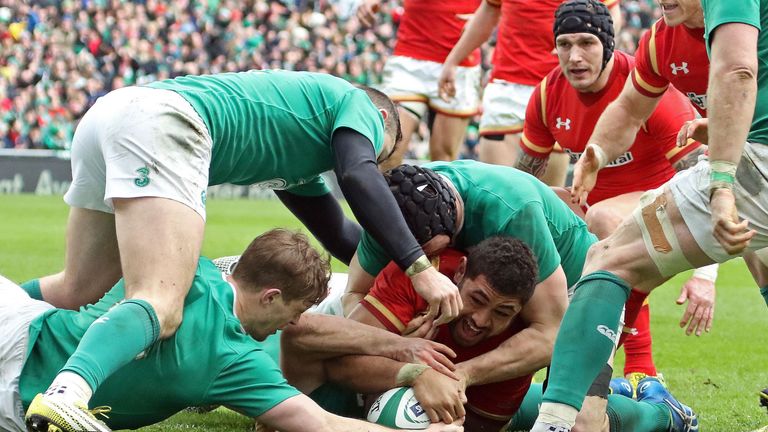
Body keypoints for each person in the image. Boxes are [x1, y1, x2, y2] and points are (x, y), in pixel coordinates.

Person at [19, 70, 462, 430]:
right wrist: (420, 268)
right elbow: (357, 174)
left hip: (114, 114)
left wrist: (399, 286)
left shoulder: (297, 158)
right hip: (165, 123)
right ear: (383, 119)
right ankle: (69, 395)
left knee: (79, 287)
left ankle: (10, 310)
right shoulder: (358, 103)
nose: (380, 162)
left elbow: (343, 240)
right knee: (161, 301)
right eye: (385, 152)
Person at [530, 0, 768, 430]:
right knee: (762, 257)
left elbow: (737, 72)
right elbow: (628, 107)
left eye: (585, 42)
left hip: (757, 166)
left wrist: (720, 187)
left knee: (608, 257)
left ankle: (565, 418)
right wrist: (596, 153)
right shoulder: (661, 39)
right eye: (564, 44)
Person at [7, 230, 463, 432]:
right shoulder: (233, 359)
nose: (293, 325)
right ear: (269, 296)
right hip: (18, 370)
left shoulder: (192, 268)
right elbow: (321, 424)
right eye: (295, 310)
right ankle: (70, 391)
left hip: (17, 337)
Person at [284, 237, 698, 432]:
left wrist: (447, 392)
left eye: (502, 312)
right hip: (371, 389)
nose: (481, 320)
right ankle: (626, 388)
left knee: (581, 425)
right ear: (458, 274)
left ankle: (665, 413)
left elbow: (479, 427)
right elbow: (334, 361)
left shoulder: (519, 343)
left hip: (477, 400)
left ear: (520, 312)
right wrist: (412, 370)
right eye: (477, 299)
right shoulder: (418, 275)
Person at [514, 0, 714, 389]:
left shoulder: (646, 89)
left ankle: (641, 366)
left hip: (664, 200)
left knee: (604, 220)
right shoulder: (546, 95)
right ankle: (529, 353)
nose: (574, 56)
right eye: (564, 44)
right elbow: (520, 180)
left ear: (607, 44)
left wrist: (706, 275)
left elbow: (708, 181)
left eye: (586, 42)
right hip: (595, 208)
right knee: (534, 207)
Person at [437, 0, 620, 185]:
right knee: (496, 191)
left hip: (557, 88)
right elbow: (488, 13)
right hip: (506, 87)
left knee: (546, 198)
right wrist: (453, 60)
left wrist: (593, 56)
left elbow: (611, 15)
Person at [356, 0, 482, 168]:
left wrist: (486, 16)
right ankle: (382, 194)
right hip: (410, 55)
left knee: (443, 162)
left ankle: (435, 194)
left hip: (461, 58)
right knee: (388, 151)